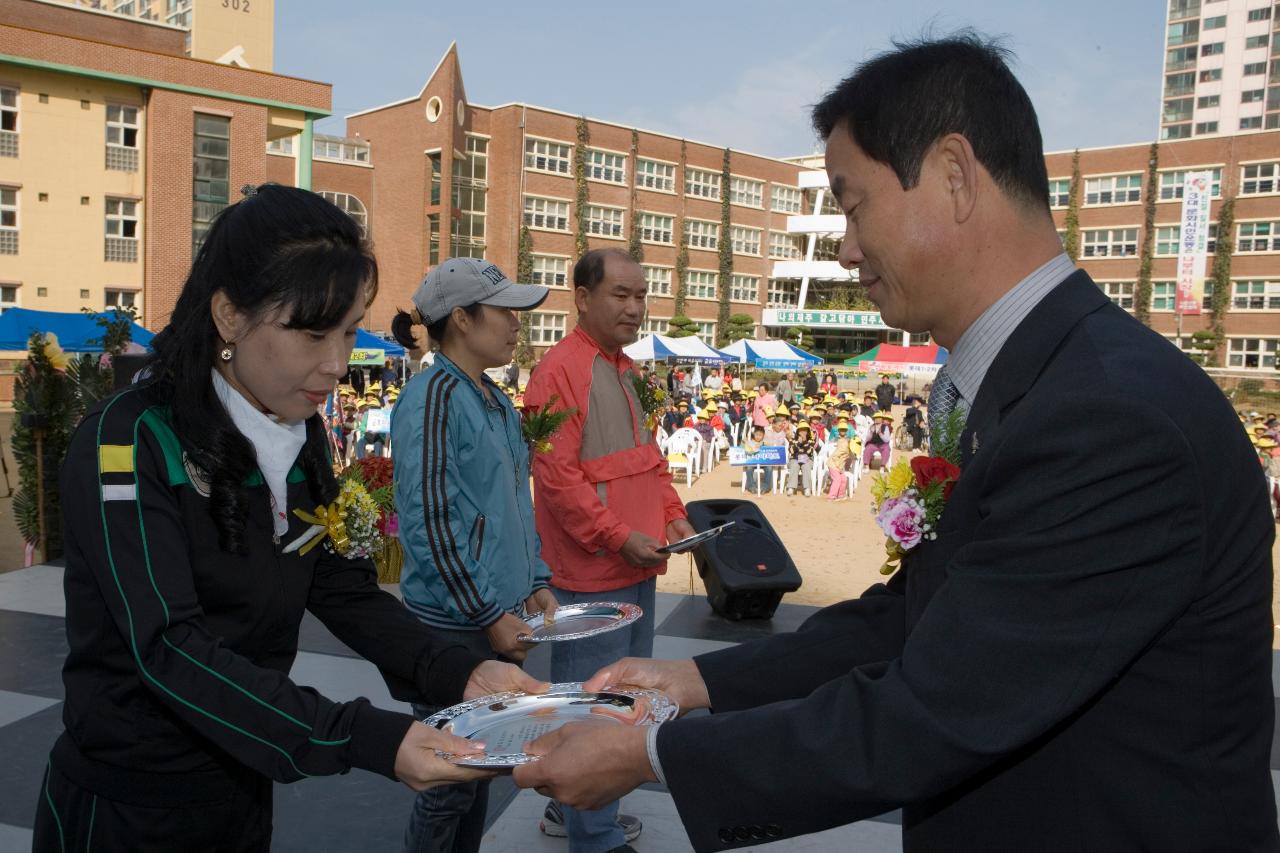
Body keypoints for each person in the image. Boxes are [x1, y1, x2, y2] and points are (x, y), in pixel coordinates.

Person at [512, 35, 1278, 852]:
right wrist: (694, 680)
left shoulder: (1110, 417)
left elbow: (939, 705)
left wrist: (649, 753)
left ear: (953, 174)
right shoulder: (1038, 382)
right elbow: (916, 617)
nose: (844, 248)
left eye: (852, 203)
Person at [32, 185, 543, 853]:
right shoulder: (128, 441)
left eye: (348, 330)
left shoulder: (300, 436)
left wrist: (456, 672)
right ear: (228, 315)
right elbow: (167, 647)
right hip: (129, 806)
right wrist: (366, 737)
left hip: (242, 786)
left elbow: (337, 582)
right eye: (311, 331)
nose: (337, 363)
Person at [522, 248, 694, 853]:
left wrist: (674, 518)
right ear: (583, 298)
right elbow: (559, 482)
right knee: (594, 707)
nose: (634, 307)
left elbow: (650, 463)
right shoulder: (558, 372)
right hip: (591, 574)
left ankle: (571, 815)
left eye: (641, 295)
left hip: (639, 566)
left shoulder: (626, 371)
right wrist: (620, 536)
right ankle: (592, 837)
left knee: (623, 701)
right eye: (620, 294)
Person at [389, 258, 559, 853]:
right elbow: (430, 522)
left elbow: (515, 501)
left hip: (495, 617)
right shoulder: (433, 397)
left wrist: (534, 579)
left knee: (481, 769)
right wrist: (489, 614)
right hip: (453, 629)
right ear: (460, 318)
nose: (518, 324)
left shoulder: (492, 399)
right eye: (505, 311)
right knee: (448, 780)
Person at [785, 423, 815, 496]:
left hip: (807, 459)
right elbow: (791, 451)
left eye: (805, 430)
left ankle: (807, 488)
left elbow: (810, 452)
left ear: (808, 432)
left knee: (806, 465)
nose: (803, 432)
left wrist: (804, 442)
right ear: (798, 431)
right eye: (801, 430)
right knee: (795, 465)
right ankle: (791, 487)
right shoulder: (793, 440)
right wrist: (798, 443)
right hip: (795, 459)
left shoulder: (811, 441)